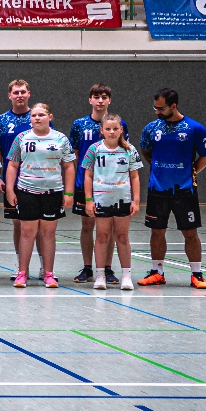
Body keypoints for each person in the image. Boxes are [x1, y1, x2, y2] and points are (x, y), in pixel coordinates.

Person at [138, 88, 206, 289]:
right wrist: (156, 165)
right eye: (155, 108)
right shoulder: (151, 128)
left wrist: (192, 170)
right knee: (157, 231)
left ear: (173, 106)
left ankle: (197, 274)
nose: (157, 111)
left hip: (184, 190)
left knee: (190, 233)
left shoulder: (194, 128)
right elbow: (145, 149)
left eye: (161, 108)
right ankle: (157, 272)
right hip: (157, 189)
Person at [4, 103, 76, 289]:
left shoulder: (61, 138)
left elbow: (69, 166)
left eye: (41, 115)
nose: (37, 118)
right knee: (27, 232)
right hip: (27, 191)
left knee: (48, 233)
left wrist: (69, 192)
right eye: (34, 115)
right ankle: (22, 273)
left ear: (50, 117)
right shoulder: (21, 138)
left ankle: (49, 274)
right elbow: (12, 164)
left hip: (53, 192)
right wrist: (10, 190)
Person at [69, 85, 129, 285]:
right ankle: (88, 268)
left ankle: (107, 268)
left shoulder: (120, 124)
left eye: (104, 97)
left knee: (108, 228)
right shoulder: (79, 124)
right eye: (96, 97)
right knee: (87, 225)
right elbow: (75, 154)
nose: (100, 100)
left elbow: (125, 151)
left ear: (109, 100)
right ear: (90, 100)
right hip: (86, 183)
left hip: (111, 185)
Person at [83, 114, 142, 291]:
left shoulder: (129, 149)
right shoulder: (94, 149)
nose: (112, 132)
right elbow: (88, 175)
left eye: (115, 128)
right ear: (101, 130)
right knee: (102, 236)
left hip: (122, 199)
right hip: (101, 199)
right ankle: (100, 275)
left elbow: (134, 176)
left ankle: (126, 276)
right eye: (108, 129)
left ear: (121, 130)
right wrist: (89, 200)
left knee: (122, 237)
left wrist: (136, 200)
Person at [0, 79, 36, 278]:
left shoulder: (37, 116)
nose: (19, 95)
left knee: (40, 225)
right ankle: (21, 266)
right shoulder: (2, 120)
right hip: (14, 181)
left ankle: (44, 267)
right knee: (18, 224)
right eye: (15, 92)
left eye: (22, 92)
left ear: (29, 94)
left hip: (37, 179)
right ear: (9, 95)